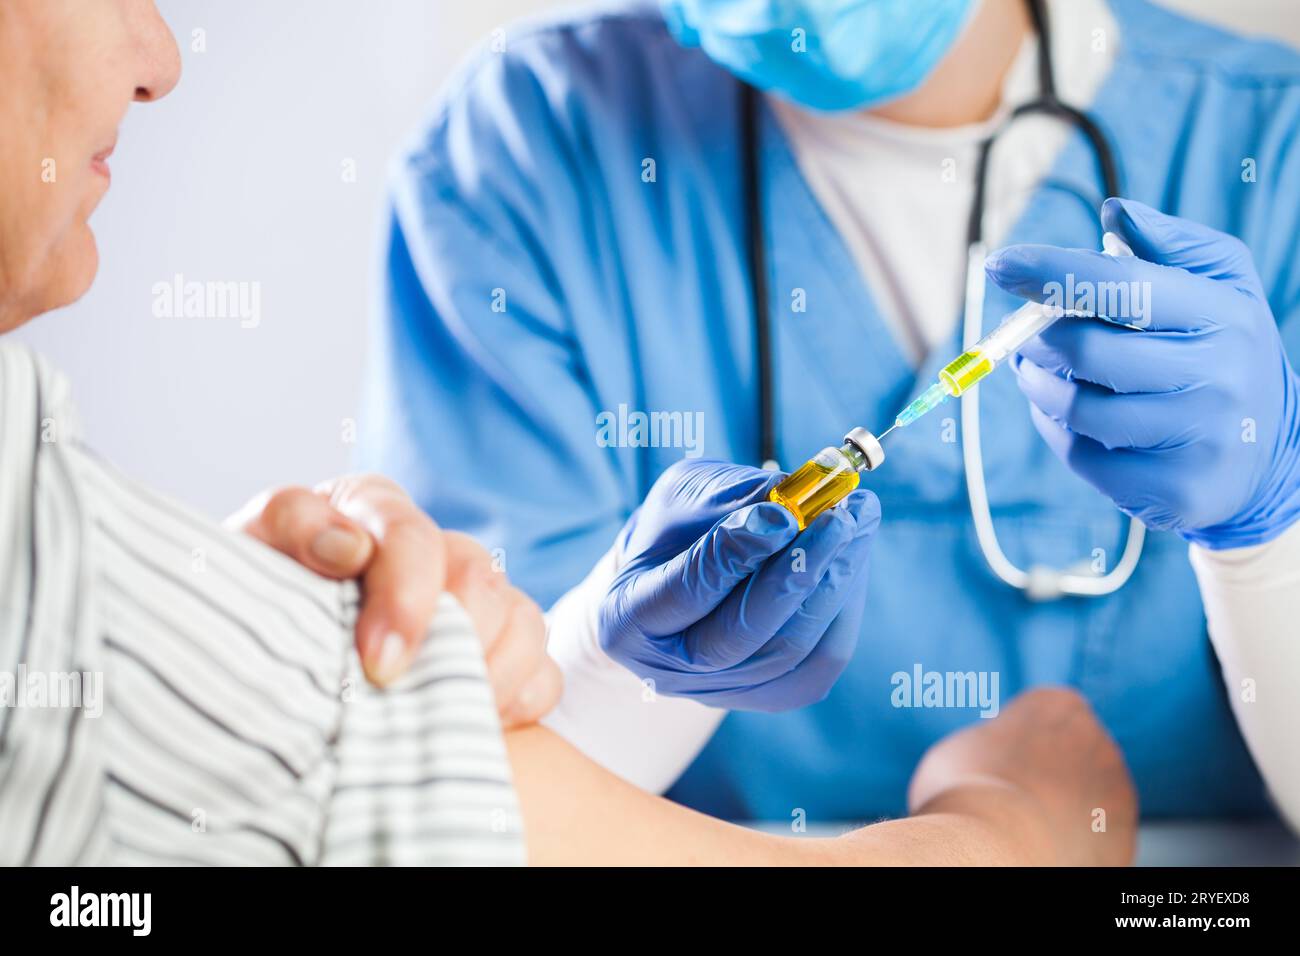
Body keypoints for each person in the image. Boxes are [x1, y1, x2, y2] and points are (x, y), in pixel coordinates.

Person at [0, 0, 1137, 866]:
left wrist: (246, 638)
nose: (162, 58)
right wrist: (1005, 834)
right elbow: (445, 823)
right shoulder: (534, 136)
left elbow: (444, 780)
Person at [361, 0, 1300, 826]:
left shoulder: (1267, 145)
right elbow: (473, 810)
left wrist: (1268, 540)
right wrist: (619, 670)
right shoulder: (529, 147)